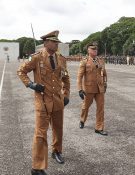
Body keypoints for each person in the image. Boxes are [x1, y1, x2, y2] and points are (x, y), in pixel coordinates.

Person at [17, 30, 70, 175]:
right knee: (40, 133)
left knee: (58, 129)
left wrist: (66, 94)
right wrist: (30, 84)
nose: (56, 44)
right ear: (45, 43)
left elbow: (65, 78)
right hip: (43, 101)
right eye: (54, 41)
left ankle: (56, 151)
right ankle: (37, 167)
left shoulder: (61, 59)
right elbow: (21, 72)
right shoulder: (36, 58)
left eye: (57, 41)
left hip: (58, 101)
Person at [77, 41, 108, 136]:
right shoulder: (84, 62)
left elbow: (104, 74)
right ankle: (82, 120)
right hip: (89, 89)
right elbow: (80, 76)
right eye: (93, 49)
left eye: (96, 49)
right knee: (85, 106)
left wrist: (105, 84)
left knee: (100, 109)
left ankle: (99, 128)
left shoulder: (101, 61)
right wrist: (80, 89)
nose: (95, 50)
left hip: (100, 89)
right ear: (88, 50)